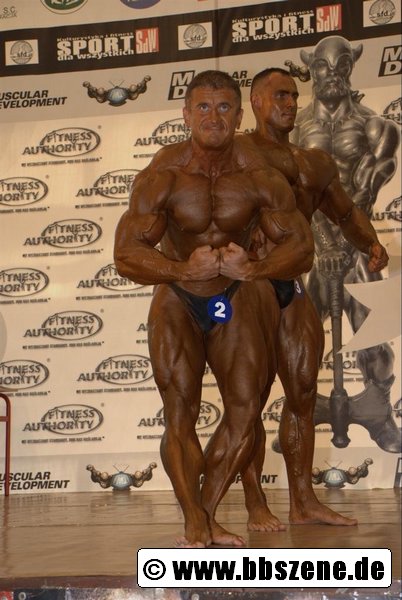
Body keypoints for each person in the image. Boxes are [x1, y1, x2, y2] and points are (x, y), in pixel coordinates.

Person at [114, 70, 314, 548]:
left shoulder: (259, 176)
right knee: (179, 411)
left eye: (224, 107)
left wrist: (255, 268)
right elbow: (125, 253)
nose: (213, 117)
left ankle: (203, 514)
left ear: (239, 116)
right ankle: (195, 523)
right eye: (202, 107)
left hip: (231, 299)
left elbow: (302, 248)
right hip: (179, 298)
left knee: (245, 410)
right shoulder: (163, 175)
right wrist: (181, 268)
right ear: (186, 115)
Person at [238, 67, 389, 531]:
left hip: (294, 285)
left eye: (293, 95)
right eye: (280, 95)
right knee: (248, 401)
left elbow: (345, 212)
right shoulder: (237, 154)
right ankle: (255, 502)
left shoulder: (314, 163)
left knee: (302, 395)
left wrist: (370, 243)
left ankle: (303, 501)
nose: (290, 103)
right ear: (256, 102)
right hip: (248, 287)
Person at [293, 36, 400, 452]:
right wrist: (324, 245)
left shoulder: (378, 128)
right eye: (323, 66)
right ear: (311, 69)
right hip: (312, 250)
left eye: (341, 66)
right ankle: (296, 417)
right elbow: (298, 192)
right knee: (298, 345)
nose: (332, 75)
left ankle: (379, 413)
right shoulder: (295, 131)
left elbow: (364, 193)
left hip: (358, 246)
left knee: (376, 345)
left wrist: (348, 244)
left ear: (351, 68)